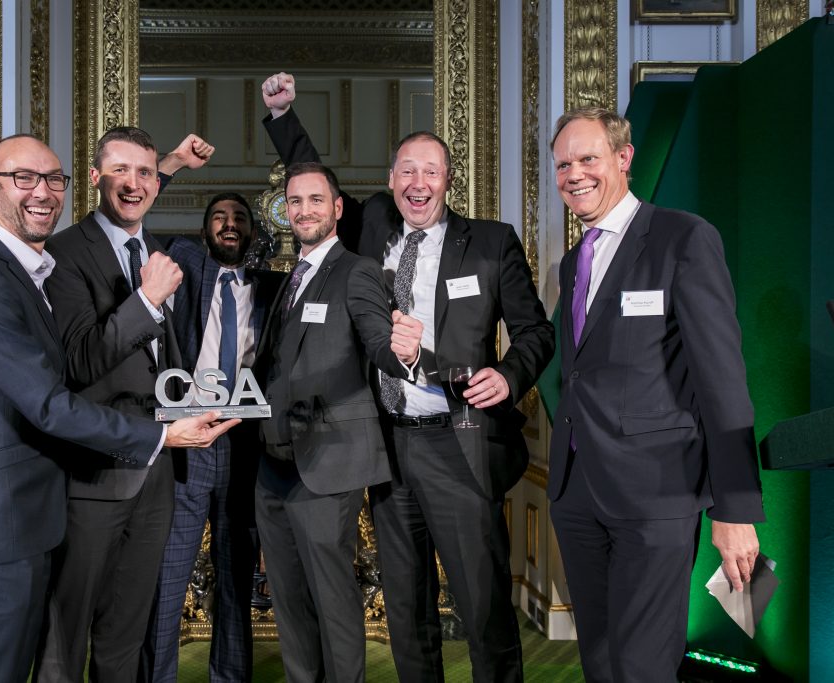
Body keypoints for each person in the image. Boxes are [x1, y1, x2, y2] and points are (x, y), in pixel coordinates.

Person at [0, 134, 237, 683]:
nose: (41, 192)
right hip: (16, 507)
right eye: (24, 180)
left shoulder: (27, 268)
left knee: (114, 640)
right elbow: (53, 395)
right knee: (36, 655)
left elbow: (134, 189)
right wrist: (161, 432)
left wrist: (171, 164)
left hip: (48, 503)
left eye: (50, 180)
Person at [262, 73, 553, 683]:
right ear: (391, 181)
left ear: (449, 180)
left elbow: (536, 333)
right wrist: (284, 116)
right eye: (407, 172)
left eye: (432, 172)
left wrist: (508, 374)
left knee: (481, 603)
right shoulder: (368, 226)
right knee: (405, 606)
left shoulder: (491, 243)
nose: (419, 184)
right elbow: (314, 185)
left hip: (460, 440)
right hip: (386, 446)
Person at [547, 107, 764, 681]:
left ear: (623, 159)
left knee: (643, 665)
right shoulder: (573, 263)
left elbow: (721, 379)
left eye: (588, 159)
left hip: (656, 495)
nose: (574, 174)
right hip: (577, 493)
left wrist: (735, 507)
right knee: (600, 657)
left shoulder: (683, 238)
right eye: (563, 164)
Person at [33, 128, 220, 682]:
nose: (134, 183)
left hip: (157, 474)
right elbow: (81, 362)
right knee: (65, 638)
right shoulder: (63, 254)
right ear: (94, 178)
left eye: (145, 174)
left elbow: (160, 366)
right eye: (119, 171)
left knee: (126, 634)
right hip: (93, 476)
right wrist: (146, 300)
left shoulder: (156, 251)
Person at [253, 161, 424, 682]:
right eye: (296, 202)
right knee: (288, 601)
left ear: (336, 208)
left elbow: (378, 340)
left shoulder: (357, 271)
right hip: (272, 467)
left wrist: (403, 354)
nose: (305, 211)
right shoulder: (290, 278)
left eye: (315, 200)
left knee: (332, 601)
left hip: (326, 464)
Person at [141, 192, 285, 682]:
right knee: (168, 578)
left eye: (239, 219)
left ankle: (230, 677)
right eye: (219, 218)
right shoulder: (190, 268)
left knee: (235, 579)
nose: (229, 225)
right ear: (204, 234)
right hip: (186, 443)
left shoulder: (273, 288)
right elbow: (133, 214)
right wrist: (172, 164)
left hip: (245, 447)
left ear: (252, 233)